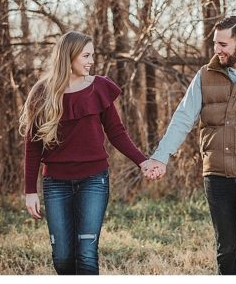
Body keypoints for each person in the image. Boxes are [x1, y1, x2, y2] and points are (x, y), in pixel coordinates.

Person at [140, 16, 236, 275]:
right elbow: (183, 119)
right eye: (215, 43)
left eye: (223, 44)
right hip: (217, 176)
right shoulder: (205, 76)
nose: (216, 50)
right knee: (227, 249)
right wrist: (161, 157)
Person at [20, 30, 151, 275]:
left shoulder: (99, 87)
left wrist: (142, 161)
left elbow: (117, 132)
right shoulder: (42, 93)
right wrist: (30, 190)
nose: (91, 61)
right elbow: (33, 145)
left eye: (92, 55)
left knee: (87, 255)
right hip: (56, 184)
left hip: (94, 181)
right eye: (86, 55)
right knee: (63, 258)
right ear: (68, 57)